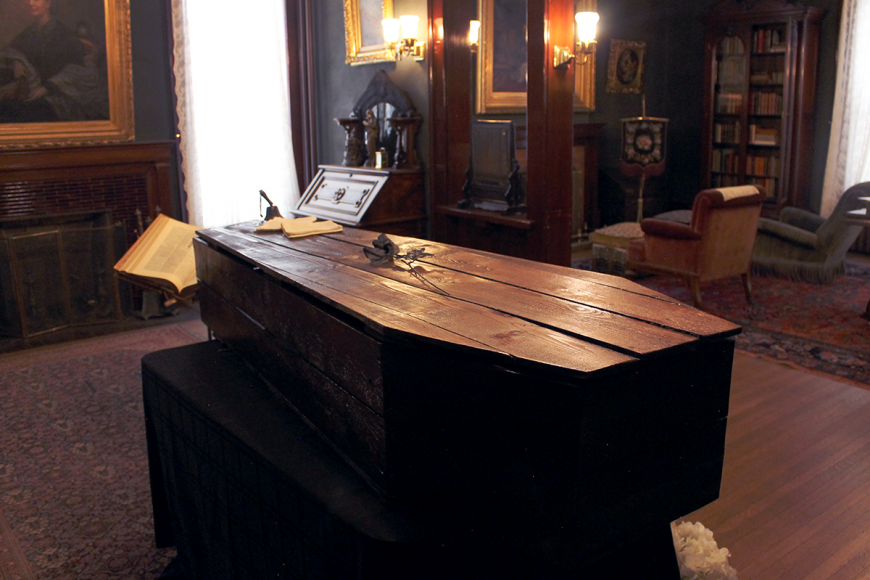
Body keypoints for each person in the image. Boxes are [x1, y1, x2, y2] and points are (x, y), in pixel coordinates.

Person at [0, 0, 109, 123]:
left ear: (48, 3)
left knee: (21, 114)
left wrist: (48, 88)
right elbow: (11, 50)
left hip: (58, 96)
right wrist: (16, 63)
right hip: (32, 91)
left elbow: (80, 70)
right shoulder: (30, 32)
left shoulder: (63, 34)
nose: (30, 3)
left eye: (36, 0)